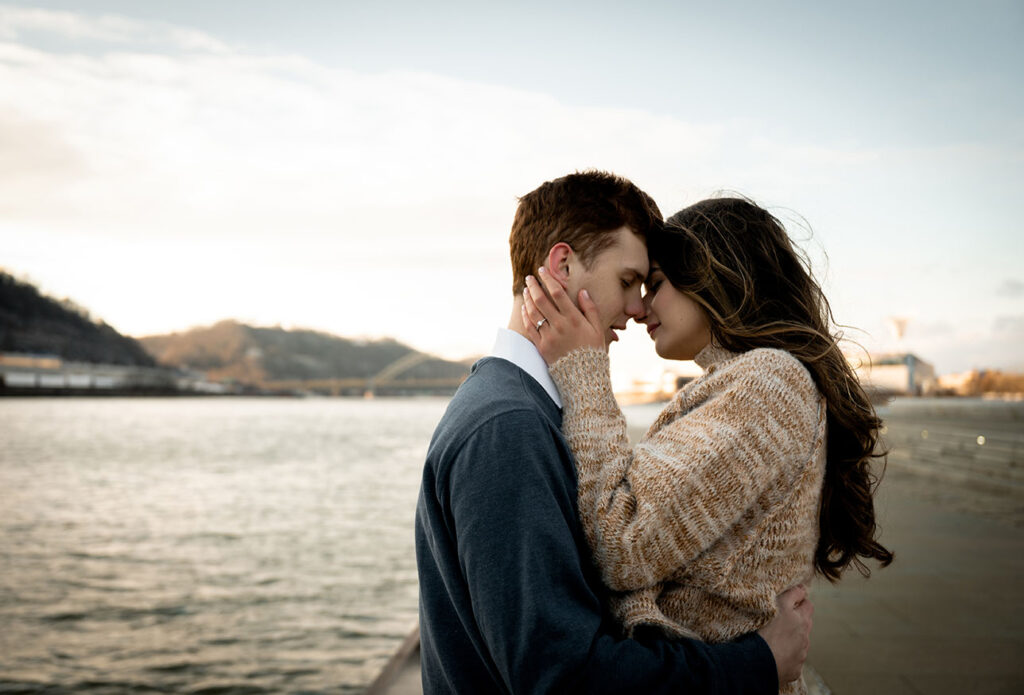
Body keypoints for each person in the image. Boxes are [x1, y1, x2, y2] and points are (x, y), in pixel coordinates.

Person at [415, 173, 814, 695]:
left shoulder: (526, 410)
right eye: (627, 281)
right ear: (561, 267)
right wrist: (757, 663)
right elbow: (563, 677)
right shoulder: (506, 428)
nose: (636, 308)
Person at [520, 195, 894, 694]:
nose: (641, 307)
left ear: (713, 278)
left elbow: (621, 544)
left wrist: (583, 372)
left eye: (655, 285)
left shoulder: (767, 384)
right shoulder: (747, 383)